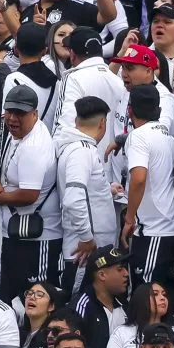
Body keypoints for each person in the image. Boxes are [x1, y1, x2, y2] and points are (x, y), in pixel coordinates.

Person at [0, 85, 63, 301]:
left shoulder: (34, 146)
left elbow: (29, 195)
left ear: (35, 113)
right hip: (17, 234)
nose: (13, 118)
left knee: (38, 298)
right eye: (10, 112)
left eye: (20, 113)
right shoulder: (21, 133)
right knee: (11, 298)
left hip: (37, 238)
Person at [121, 83, 174, 286]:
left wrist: (129, 218)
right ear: (159, 109)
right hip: (171, 229)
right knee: (163, 297)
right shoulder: (170, 140)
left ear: (130, 110)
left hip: (154, 230)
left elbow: (139, 178)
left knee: (146, 296)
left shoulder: (138, 136)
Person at [55, 96, 117, 295]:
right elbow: (73, 200)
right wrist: (87, 237)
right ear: (102, 123)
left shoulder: (79, 149)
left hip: (89, 249)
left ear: (76, 121)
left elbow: (84, 190)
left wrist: (106, 190)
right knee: (79, 310)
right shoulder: (82, 151)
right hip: (85, 252)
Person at [72, 245, 130, 348]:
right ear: (102, 275)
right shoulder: (81, 306)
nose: (126, 274)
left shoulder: (126, 306)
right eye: (120, 269)